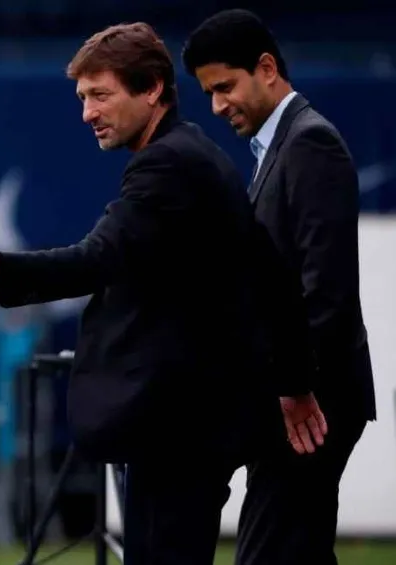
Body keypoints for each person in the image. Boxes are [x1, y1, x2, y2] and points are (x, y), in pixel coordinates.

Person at [0, 22, 328, 565]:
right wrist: (295, 382)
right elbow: (269, 272)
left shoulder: (170, 163)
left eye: (100, 95)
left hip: (180, 433)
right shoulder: (188, 156)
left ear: (153, 89)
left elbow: (96, 259)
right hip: (188, 429)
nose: (88, 112)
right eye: (83, 97)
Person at [182, 10, 376, 565]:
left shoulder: (310, 144)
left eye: (225, 87)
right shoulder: (282, 145)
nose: (218, 106)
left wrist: (294, 389)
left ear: (266, 68)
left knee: (271, 553)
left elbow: (327, 291)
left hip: (313, 403)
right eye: (209, 93)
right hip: (298, 396)